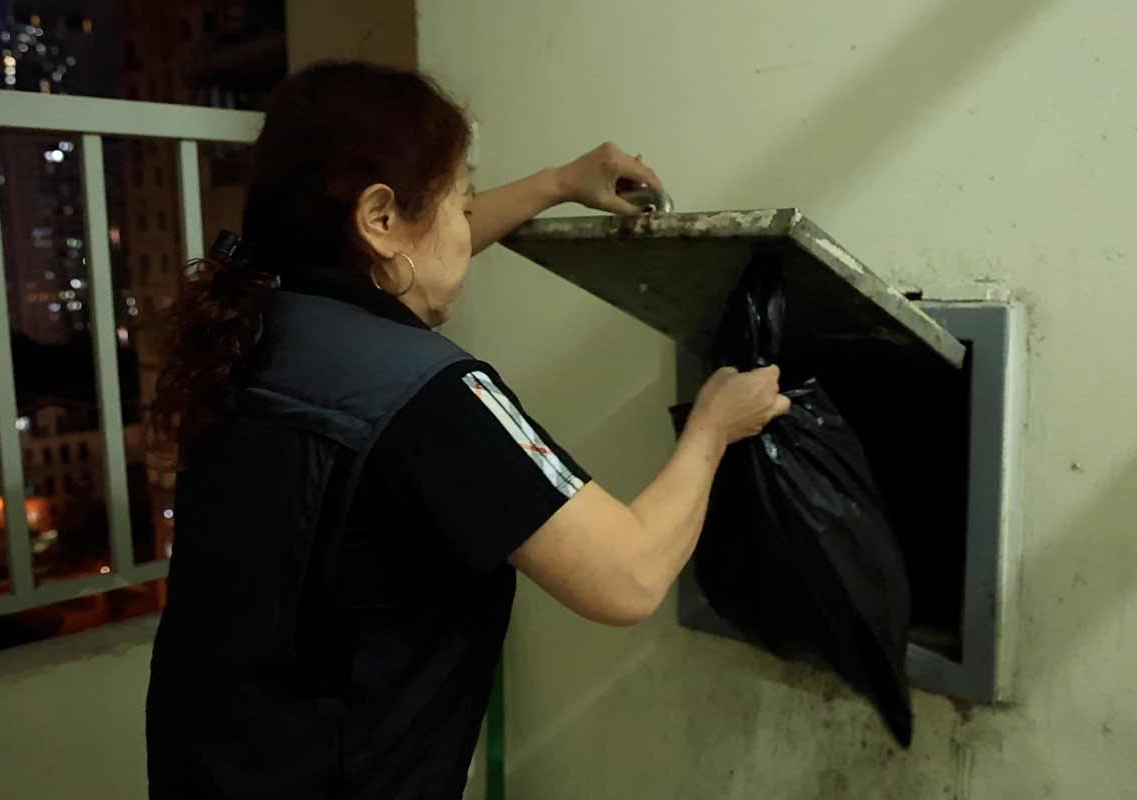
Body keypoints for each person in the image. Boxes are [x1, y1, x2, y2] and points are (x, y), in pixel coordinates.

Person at [144, 61, 790, 799]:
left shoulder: (259, 328)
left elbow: (407, 256)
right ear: (380, 218)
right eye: (461, 200)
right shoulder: (428, 394)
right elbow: (630, 577)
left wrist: (557, 182)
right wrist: (712, 426)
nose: (464, 226)